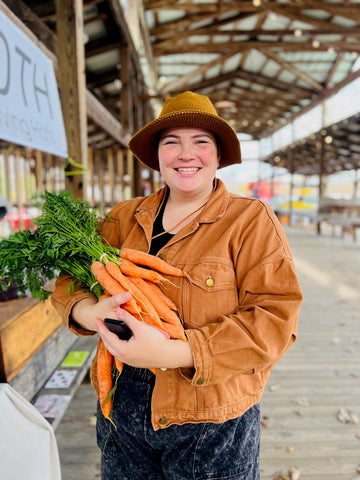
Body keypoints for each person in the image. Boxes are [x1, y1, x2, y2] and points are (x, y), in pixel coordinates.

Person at [51, 91, 303, 480]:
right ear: (158, 156)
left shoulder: (251, 221)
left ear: (218, 156)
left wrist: (177, 350)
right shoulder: (121, 218)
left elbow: (275, 322)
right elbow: (69, 280)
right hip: (122, 412)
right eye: (172, 142)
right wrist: (89, 311)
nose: (187, 154)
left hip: (212, 417)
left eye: (201, 142)